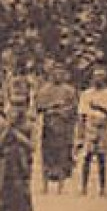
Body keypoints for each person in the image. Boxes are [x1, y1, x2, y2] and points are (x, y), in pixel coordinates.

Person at [0, 96, 36, 211]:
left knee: (21, 198)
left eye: (20, 105)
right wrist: (8, 129)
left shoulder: (29, 126)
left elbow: (32, 146)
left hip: (21, 166)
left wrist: (16, 134)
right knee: (2, 196)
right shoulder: (1, 125)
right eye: (14, 105)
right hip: (5, 165)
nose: (16, 109)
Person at [77, 65, 107, 196]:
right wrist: (80, 133)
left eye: (101, 77)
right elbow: (82, 114)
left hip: (104, 125)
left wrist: (101, 108)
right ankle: (84, 187)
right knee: (87, 156)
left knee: (101, 157)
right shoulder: (86, 94)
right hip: (90, 126)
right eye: (96, 77)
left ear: (105, 78)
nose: (98, 79)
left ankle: (102, 188)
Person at [36, 63, 79, 194]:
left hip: (64, 128)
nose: (58, 75)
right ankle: (45, 186)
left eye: (61, 73)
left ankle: (61, 186)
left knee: (62, 156)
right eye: (55, 73)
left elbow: (74, 108)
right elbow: (39, 106)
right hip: (48, 128)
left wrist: (62, 111)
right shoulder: (44, 90)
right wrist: (52, 108)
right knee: (47, 156)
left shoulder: (69, 90)